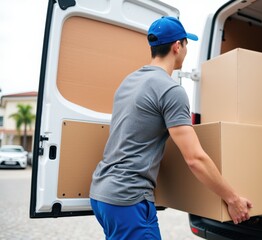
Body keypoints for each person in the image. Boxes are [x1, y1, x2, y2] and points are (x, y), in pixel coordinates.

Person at [89, 16, 252, 240]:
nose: (186, 50)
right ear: (178, 46)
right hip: (128, 199)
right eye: (186, 44)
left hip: (101, 194)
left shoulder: (129, 81)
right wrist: (233, 199)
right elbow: (195, 158)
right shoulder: (170, 90)